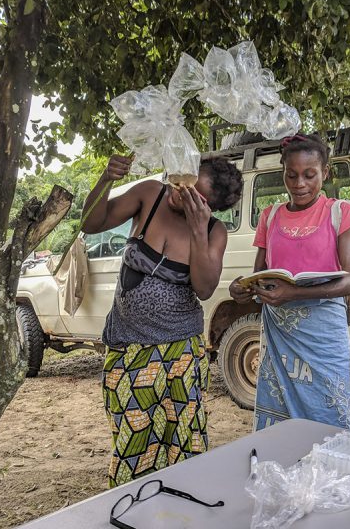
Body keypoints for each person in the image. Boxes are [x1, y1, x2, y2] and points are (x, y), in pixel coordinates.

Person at [83, 154, 243, 486]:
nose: (179, 189)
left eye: (192, 193)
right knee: (132, 443)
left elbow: (204, 287)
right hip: (129, 350)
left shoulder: (214, 231)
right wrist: (105, 179)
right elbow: (91, 223)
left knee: (182, 444)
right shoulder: (150, 195)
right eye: (183, 179)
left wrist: (199, 230)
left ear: (206, 206)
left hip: (181, 355)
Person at [229, 133, 350, 431]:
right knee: (280, 425)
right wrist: (242, 290)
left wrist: (293, 293)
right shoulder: (270, 216)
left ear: (325, 173)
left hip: (323, 338)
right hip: (281, 337)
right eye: (291, 175)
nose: (299, 183)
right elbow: (259, 276)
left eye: (309, 175)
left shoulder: (340, 213)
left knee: (330, 418)